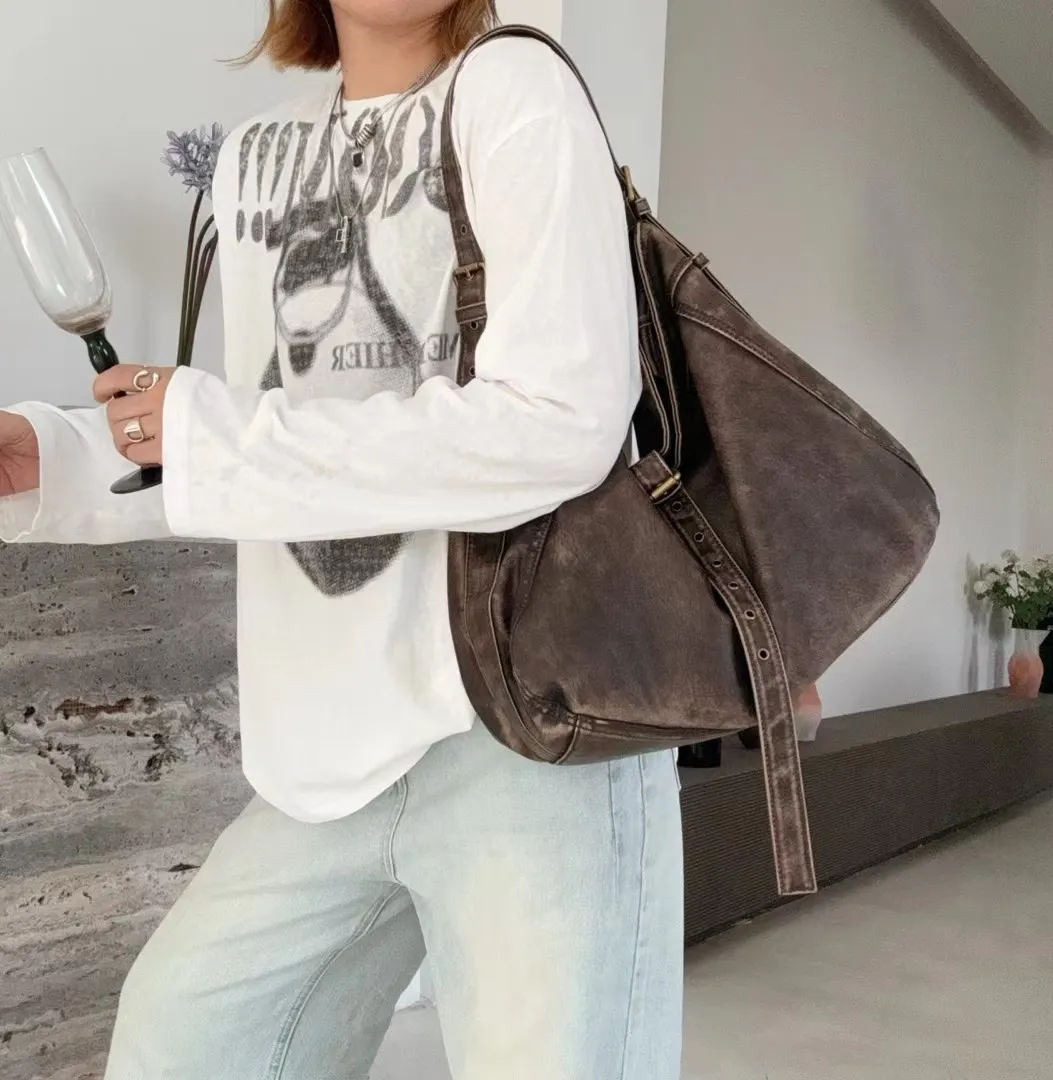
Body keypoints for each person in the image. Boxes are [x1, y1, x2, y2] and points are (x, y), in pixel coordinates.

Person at [0, 2, 684, 1077]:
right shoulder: (255, 158)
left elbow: (560, 424)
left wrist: (212, 436)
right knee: (183, 1040)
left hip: (526, 728)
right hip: (323, 751)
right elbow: (278, 437)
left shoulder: (515, 90)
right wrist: (62, 460)